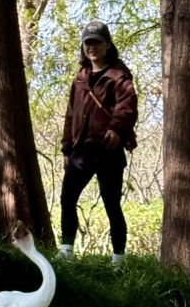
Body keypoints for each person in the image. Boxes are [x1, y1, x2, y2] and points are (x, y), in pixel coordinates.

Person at [59, 20, 138, 263]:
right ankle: (66, 251)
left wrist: (115, 130)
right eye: (87, 43)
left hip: (108, 149)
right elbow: (71, 113)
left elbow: (127, 107)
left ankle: (119, 259)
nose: (91, 47)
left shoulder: (119, 75)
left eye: (96, 42)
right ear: (83, 47)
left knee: (111, 203)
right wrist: (66, 147)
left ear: (107, 45)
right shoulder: (80, 78)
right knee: (67, 198)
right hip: (81, 149)